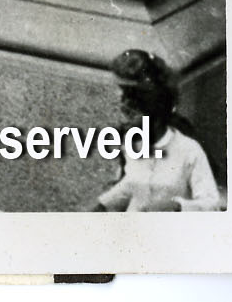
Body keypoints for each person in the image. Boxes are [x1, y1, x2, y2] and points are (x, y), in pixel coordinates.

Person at [92, 50, 224, 211]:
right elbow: (129, 185)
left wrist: (176, 206)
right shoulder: (131, 146)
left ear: (155, 105)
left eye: (132, 103)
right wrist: (102, 205)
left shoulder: (189, 150)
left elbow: (212, 203)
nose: (123, 108)